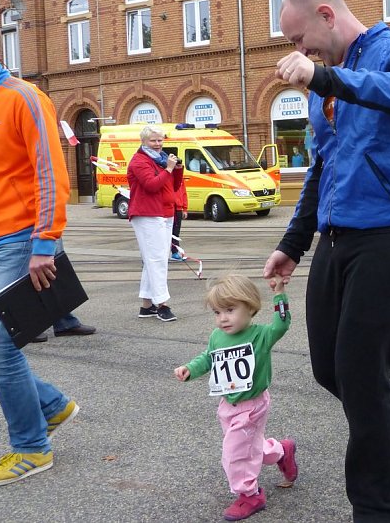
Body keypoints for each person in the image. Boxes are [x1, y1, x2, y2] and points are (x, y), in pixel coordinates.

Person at [261, 0, 390, 523]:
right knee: (330, 369)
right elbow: (323, 165)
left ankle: (378, 509)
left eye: (302, 40)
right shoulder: (325, 89)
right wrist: (293, 243)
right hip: (337, 238)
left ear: (327, 14)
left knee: (362, 372)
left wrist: (325, 77)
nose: (301, 52)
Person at [0, 40, 82, 486]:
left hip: (18, 237)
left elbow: (50, 170)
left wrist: (44, 243)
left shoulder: (23, 97)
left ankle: (31, 447)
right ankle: (50, 406)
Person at [175, 274, 297, 521]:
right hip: (227, 405)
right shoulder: (217, 336)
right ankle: (281, 451)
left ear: (250, 307)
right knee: (250, 446)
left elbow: (281, 324)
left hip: (252, 406)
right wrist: (190, 368)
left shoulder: (261, 335)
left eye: (230, 310)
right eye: (217, 312)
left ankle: (250, 495)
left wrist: (279, 294)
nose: (223, 318)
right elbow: (209, 357)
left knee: (235, 453)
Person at [127, 124, 183, 322]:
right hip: (147, 213)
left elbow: (173, 186)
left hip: (165, 212)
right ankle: (162, 304)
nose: (158, 144)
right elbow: (151, 185)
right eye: (153, 140)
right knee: (157, 260)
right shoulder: (139, 161)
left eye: (160, 140)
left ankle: (146, 306)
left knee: (155, 259)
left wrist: (176, 170)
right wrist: (168, 168)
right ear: (143, 141)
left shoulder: (161, 160)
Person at [170, 178, 188, 261]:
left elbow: (184, 193)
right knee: (168, 233)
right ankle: (172, 252)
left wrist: (184, 208)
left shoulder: (180, 178)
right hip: (170, 208)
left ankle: (175, 252)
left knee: (176, 232)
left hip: (178, 209)